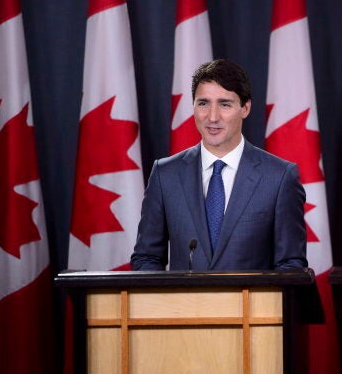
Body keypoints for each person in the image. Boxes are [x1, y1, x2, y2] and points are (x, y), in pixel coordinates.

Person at [131, 59, 307, 271]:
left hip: (250, 304)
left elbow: (291, 266)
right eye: (203, 103)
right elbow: (146, 258)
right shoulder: (165, 174)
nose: (212, 117)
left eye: (225, 104)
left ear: (245, 108)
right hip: (183, 304)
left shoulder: (279, 177)